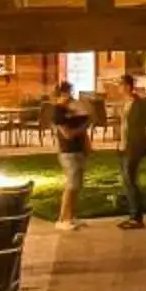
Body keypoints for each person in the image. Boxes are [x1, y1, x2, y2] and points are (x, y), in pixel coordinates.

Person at [51, 84, 89, 231]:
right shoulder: (57, 112)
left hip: (78, 151)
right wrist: (84, 127)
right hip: (68, 152)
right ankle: (62, 219)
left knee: (77, 186)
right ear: (61, 94)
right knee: (71, 186)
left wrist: (87, 146)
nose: (70, 96)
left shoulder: (71, 110)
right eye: (67, 93)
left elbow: (83, 123)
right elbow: (67, 134)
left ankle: (72, 217)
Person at [118, 77, 146, 230]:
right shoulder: (126, 103)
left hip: (134, 147)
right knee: (127, 180)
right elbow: (124, 126)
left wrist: (138, 146)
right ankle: (134, 215)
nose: (119, 88)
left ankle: (136, 217)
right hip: (125, 146)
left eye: (121, 85)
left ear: (127, 86)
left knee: (129, 180)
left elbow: (141, 126)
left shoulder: (138, 104)